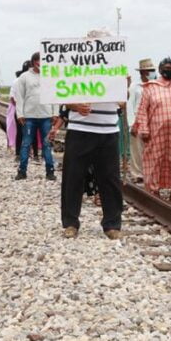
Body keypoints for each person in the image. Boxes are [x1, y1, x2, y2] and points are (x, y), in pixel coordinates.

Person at [57, 98, 125, 240]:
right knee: (72, 177)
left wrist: (124, 87)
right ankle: (70, 223)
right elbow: (62, 96)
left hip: (109, 129)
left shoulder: (118, 75)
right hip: (79, 129)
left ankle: (112, 224)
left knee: (110, 178)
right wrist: (75, 106)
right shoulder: (75, 74)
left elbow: (123, 102)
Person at [133, 58, 171, 202]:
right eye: (165, 68)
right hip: (156, 132)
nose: (168, 71)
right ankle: (154, 190)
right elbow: (142, 111)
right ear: (160, 70)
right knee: (154, 160)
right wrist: (144, 130)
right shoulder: (150, 87)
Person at [11, 53, 58, 180]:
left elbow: (55, 94)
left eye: (42, 60)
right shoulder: (24, 77)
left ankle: (50, 171)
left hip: (46, 115)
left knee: (47, 143)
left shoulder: (50, 76)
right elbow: (19, 96)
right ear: (33, 62)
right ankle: (22, 171)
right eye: (37, 60)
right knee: (26, 143)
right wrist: (20, 113)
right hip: (29, 116)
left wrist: (55, 113)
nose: (40, 63)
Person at [126, 58, 155, 179]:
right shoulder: (134, 86)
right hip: (137, 120)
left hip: (151, 120)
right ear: (143, 72)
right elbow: (129, 104)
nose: (153, 72)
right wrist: (132, 124)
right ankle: (137, 174)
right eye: (150, 70)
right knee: (136, 149)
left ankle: (148, 173)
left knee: (149, 149)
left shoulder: (154, 85)